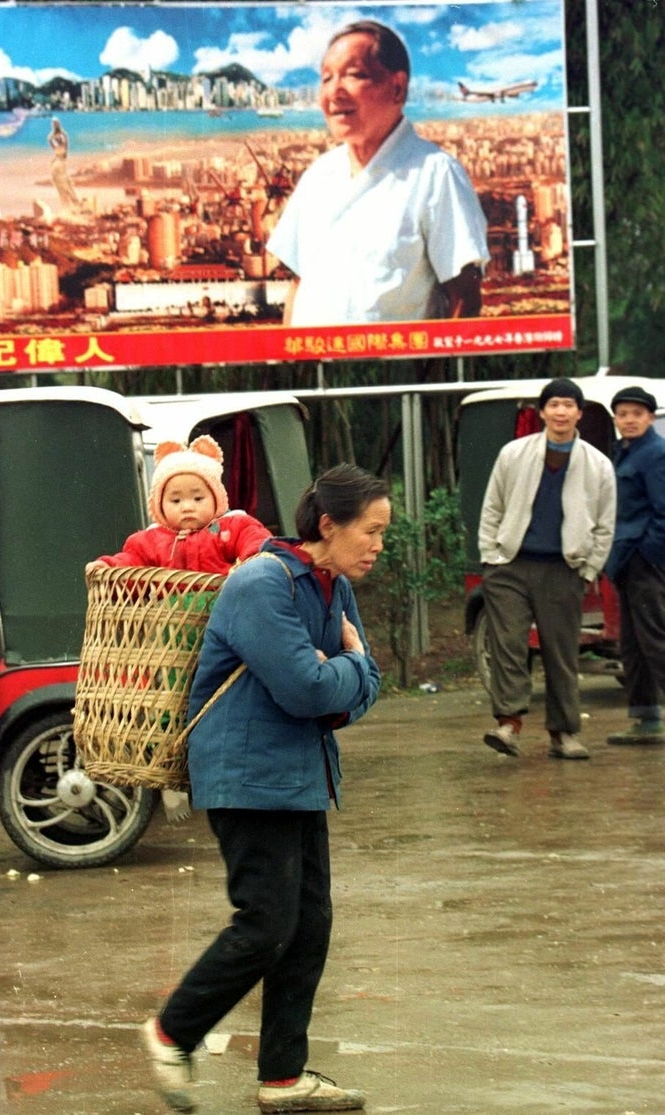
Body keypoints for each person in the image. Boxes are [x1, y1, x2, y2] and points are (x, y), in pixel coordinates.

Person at [140, 463, 390, 1114]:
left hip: (301, 774)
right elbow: (306, 688)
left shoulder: (331, 584)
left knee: (309, 926)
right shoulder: (262, 582)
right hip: (247, 774)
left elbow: (362, 682)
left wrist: (346, 673)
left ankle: (283, 1077)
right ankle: (173, 1030)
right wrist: (348, 668)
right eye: (372, 530)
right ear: (328, 525)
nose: (378, 545)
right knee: (268, 920)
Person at [266, 19, 489, 327]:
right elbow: (299, 287)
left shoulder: (435, 174)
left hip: (396, 371)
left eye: (354, 75)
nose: (334, 92)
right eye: (326, 78)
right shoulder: (318, 176)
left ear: (397, 87)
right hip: (314, 369)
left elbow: (464, 300)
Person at [478, 378, 616, 760]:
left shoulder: (597, 464)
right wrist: (490, 554)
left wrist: (589, 569)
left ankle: (564, 732)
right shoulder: (514, 454)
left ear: (579, 413)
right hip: (510, 566)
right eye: (553, 404)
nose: (560, 412)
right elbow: (493, 507)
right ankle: (509, 724)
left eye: (568, 405)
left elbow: (605, 524)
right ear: (541, 412)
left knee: (561, 652)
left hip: (563, 569)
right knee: (508, 645)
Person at [88, 435, 271, 575]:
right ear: (160, 505)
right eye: (176, 501)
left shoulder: (231, 527)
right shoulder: (151, 540)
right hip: (168, 616)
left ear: (217, 499)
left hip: (222, 607)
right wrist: (109, 566)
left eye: (198, 498)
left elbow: (256, 540)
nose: (187, 507)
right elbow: (130, 561)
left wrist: (250, 562)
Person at [604, 386, 665, 745]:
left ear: (650, 418)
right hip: (625, 559)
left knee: (655, 639)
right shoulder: (623, 452)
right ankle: (646, 720)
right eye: (623, 414)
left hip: (646, 560)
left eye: (636, 414)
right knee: (632, 644)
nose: (629, 420)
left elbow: (663, 510)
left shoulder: (655, 453)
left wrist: (650, 553)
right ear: (616, 419)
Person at [47, 116, 81, 212]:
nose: (58, 140)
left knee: (66, 185)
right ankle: (67, 206)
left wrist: (61, 133)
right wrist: (55, 134)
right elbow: (50, 140)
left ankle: (75, 204)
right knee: (61, 187)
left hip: (61, 166)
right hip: (56, 166)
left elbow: (65, 140)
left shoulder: (63, 146)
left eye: (59, 139)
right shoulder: (56, 147)